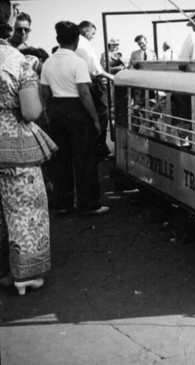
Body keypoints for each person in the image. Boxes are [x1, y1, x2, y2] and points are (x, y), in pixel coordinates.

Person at [0, 0, 58, 295]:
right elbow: (32, 111)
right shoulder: (17, 60)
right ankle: (24, 275)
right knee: (25, 210)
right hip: (14, 148)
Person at [40, 20, 109, 216]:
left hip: (56, 109)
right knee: (84, 159)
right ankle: (88, 204)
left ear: (57, 39)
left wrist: (49, 110)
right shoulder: (78, 62)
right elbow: (84, 93)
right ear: (77, 40)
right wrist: (95, 118)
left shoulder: (48, 62)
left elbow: (44, 91)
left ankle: (64, 203)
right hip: (77, 110)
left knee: (61, 160)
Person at [75, 20, 114, 159]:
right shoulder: (84, 44)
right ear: (86, 30)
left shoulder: (77, 44)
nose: (93, 36)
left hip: (85, 81)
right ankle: (99, 147)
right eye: (93, 33)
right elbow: (96, 69)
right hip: (92, 82)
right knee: (102, 114)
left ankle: (98, 147)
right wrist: (112, 77)